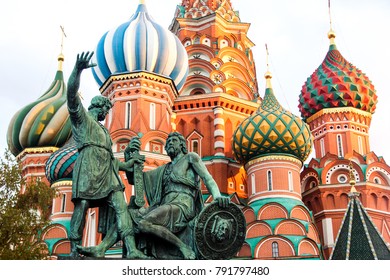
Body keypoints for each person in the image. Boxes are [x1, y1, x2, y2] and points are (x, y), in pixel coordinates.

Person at [77, 132, 230, 259]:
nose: (169, 143)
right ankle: (101, 248)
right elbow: (136, 180)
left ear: (182, 144)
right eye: (168, 141)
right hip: (165, 205)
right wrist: (130, 155)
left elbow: (208, 178)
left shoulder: (190, 157)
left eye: (174, 140)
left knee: (144, 224)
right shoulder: (164, 169)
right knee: (128, 215)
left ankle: (183, 247)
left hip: (183, 206)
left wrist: (217, 197)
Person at [67, 51, 148, 259]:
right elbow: (71, 95)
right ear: (99, 107)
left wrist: (128, 165)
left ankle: (131, 249)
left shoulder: (104, 132)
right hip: (88, 167)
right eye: (106, 109)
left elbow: (112, 161)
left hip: (107, 173)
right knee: (82, 206)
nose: (107, 113)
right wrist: (77, 70)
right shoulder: (82, 119)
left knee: (121, 207)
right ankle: (75, 247)